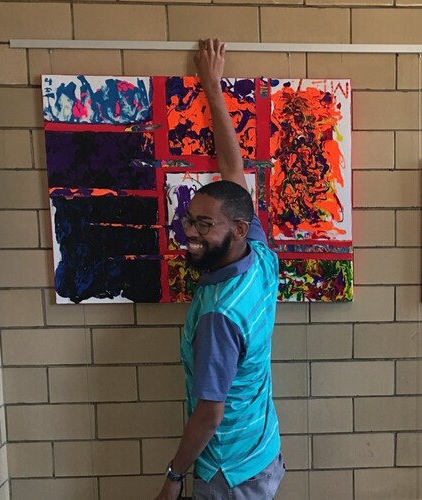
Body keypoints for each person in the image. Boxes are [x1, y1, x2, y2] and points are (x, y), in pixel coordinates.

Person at [153, 39, 284, 500]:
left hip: (227, 473)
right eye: (191, 219)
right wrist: (212, 87)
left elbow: (209, 412)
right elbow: (234, 173)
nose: (190, 231)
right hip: (262, 449)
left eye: (204, 225)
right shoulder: (260, 259)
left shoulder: (218, 317)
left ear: (238, 229)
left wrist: (173, 477)